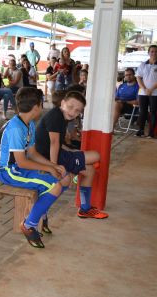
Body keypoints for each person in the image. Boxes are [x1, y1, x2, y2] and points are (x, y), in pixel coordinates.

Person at [0, 87, 69, 249]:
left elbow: (33, 153)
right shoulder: (16, 127)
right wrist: (49, 169)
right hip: (8, 172)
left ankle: (40, 214)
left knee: (64, 178)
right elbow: (22, 162)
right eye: (42, 104)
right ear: (36, 106)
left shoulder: (28, 125)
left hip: (19, 169)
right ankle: (29, 224)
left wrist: (53, 165)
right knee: (54, 185)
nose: (42, 108)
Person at [34, 90, 108, 227]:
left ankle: (85, 209)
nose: (73, 112)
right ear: (62, 103)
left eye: (77, 110)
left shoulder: (62, 117)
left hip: (55, 154)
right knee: (96, 156)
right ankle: (73, 172)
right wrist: (53, 167)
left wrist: (72, 150)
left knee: (90, 170)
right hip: (47, 157)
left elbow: (58, 143)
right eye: (70, 107)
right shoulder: (56, 116)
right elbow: (54, 144)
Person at [136, 45, 157, 138]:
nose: (154, 53)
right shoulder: (143, 64)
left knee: (153, 112)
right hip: (143, 92)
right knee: (142, 111)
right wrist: (145, 89)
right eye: (152, 51)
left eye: (156, 51)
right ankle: (140, 131)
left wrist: (151, 89)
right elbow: (138, 78)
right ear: (148, 53)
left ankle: (151, 132)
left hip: (155, 92)